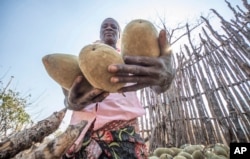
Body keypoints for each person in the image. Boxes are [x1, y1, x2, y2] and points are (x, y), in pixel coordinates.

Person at [62, 17, 175, 159]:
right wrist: (70, 103)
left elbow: (157, 87)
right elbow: (68, 97)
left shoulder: (132, 56)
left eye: (113, 26)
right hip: (77, 136)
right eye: (105, 26)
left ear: (119, 34)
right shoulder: (83, 58)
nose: (109, 28)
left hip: (123, 136)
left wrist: (165, 80)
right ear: (100, 32)